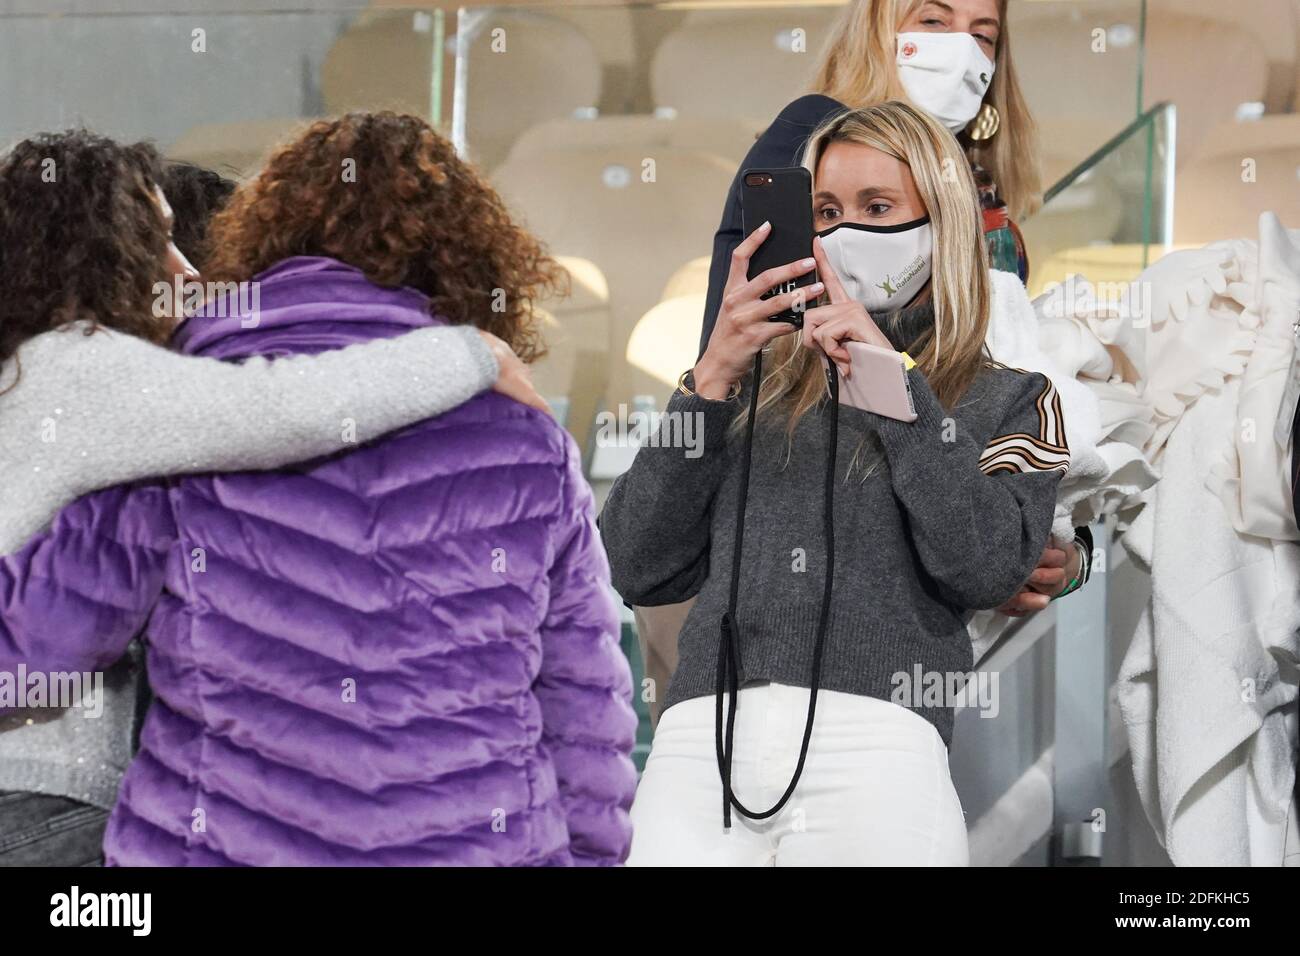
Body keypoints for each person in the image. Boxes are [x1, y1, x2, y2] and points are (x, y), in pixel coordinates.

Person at [0, 112, 637, 866]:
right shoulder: (526, 439)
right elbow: (580, 703)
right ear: (470, 255)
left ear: (264, 235)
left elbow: (38, 649)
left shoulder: (188, 418)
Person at [601, 101, 1069, 865]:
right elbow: (634, 561)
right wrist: (711, 376)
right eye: (824, 211)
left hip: (879, 744)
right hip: (698, 749)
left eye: (877, 207)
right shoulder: (747, 388)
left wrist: (888, 381)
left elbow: (983, 564)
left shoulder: (1011, 396)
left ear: (940, 222)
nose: (844, 231)